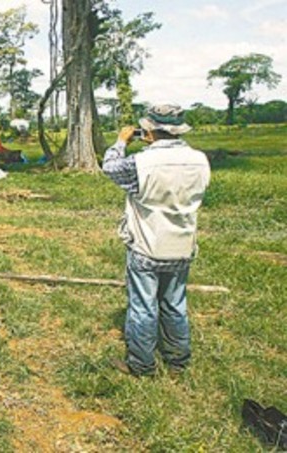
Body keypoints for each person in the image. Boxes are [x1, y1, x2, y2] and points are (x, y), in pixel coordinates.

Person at [102, 104, 210, 377]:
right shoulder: (200, 160)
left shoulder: (142, 163)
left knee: (143, 307)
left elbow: (110, 167)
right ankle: (177, 361)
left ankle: (142, 364)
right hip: (182, 244)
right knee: (175, 304)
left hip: (147, 244)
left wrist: (120, 142)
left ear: (149, 131)